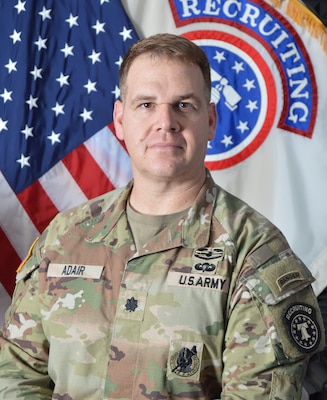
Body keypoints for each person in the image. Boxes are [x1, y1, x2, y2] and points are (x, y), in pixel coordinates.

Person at [0, 33, 324, 400]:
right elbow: (16, 375)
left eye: (184, 105)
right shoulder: (65, 237)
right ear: (120, 120)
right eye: (146, 105)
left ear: (211, 120)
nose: (165, 122)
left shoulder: (255, 252)